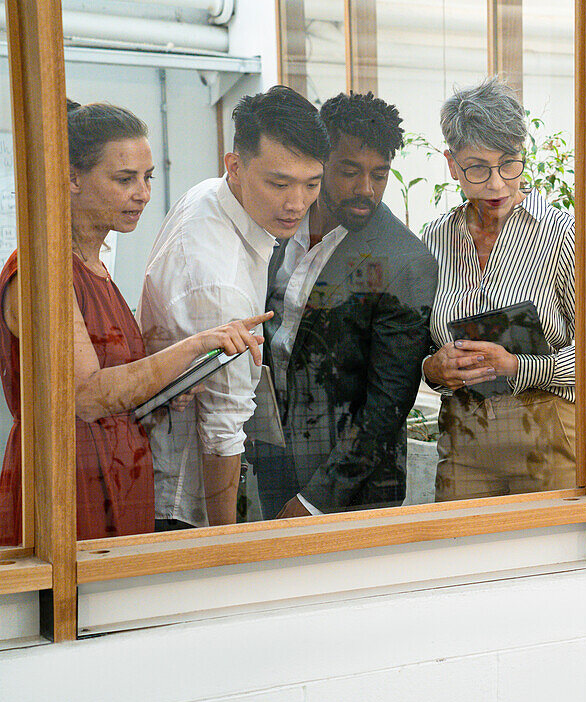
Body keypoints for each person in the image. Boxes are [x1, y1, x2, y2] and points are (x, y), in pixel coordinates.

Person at [0, 102, 268, 544]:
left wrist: (165, 390)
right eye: (125, 179)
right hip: (66, 487)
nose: (142, 194)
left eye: (147, 178)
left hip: (119, 479)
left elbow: (116, 382)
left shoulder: (95, 265)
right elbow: (85, 396)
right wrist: (200, 344)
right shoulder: (40, 273)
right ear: (70, 178)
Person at [138, 86, 328, 530]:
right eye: (279, 183)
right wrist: (224, 547)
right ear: (235, 166)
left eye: (311, 184)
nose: (296, 202)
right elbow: (222, 434)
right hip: (182, 501)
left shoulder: (212, 195)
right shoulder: (218, 280)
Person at [266, 91, 437, 519]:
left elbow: (388, 403)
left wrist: (315, 501)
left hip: (352, 493)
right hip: (272, 459)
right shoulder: (278, 227)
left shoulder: (404, 262)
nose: (366, 190)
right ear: (319, 162)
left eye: (379, 175)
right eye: (349, 171)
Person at [421, 78, 577, 500]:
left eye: (509, 164)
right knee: (463, 556)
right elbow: (416, 347)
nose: (496, 184)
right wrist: (434, 369)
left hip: (548, 432)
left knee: (555, 560)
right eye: (477, 168)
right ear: (451, 164)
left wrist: (517, 366)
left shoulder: (562, 234)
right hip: (464, 433)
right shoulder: (433, 240)